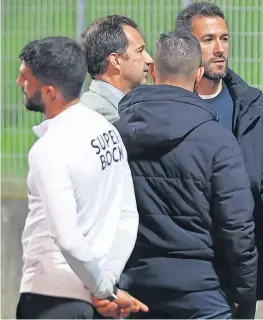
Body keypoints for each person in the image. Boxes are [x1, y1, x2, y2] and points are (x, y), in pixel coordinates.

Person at [93, 30, 258, 319]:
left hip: (134, 291)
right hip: (202, 294)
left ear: (153, 70)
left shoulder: (115, 136)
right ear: (198, 74)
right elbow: (237, 229)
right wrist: (243, 296)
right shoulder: (218, 141)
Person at [15, 36, 148, 319]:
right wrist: (107, 282)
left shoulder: (49, 150)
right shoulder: (107, 130)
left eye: (26, 78)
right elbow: (127, 215)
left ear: (50, 92)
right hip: (86, 299)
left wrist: (103, 289)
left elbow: (69, 239)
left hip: (49, 299)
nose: (19, 83)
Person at [175, 3, 263, 318]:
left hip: (241, 267)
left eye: (224, 39)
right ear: (186, 46)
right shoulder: (169, 108)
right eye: (208, 40)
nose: (219, 48)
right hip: (188, 270)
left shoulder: (250, 107)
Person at [79, 15, 153, 123]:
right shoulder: (99, 115)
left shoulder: (121, 106)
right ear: (116, 61)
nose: (149, 59)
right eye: (139, 51)